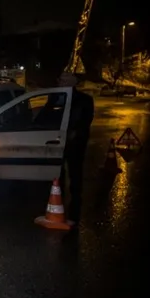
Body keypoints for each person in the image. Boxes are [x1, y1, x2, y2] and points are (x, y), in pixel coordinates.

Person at [57, 72, 94, 224]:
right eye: (60, 80)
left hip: (76, 142)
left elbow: (86, 120)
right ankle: (58, 195)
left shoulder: (85, 100)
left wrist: (75, 132)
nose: (61, 82)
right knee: (58, 171)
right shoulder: (56, 97)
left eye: (64, 80)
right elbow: (47, 116)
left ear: (73, 83)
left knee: (75, 170)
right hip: (57, 141)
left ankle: (76, 201)